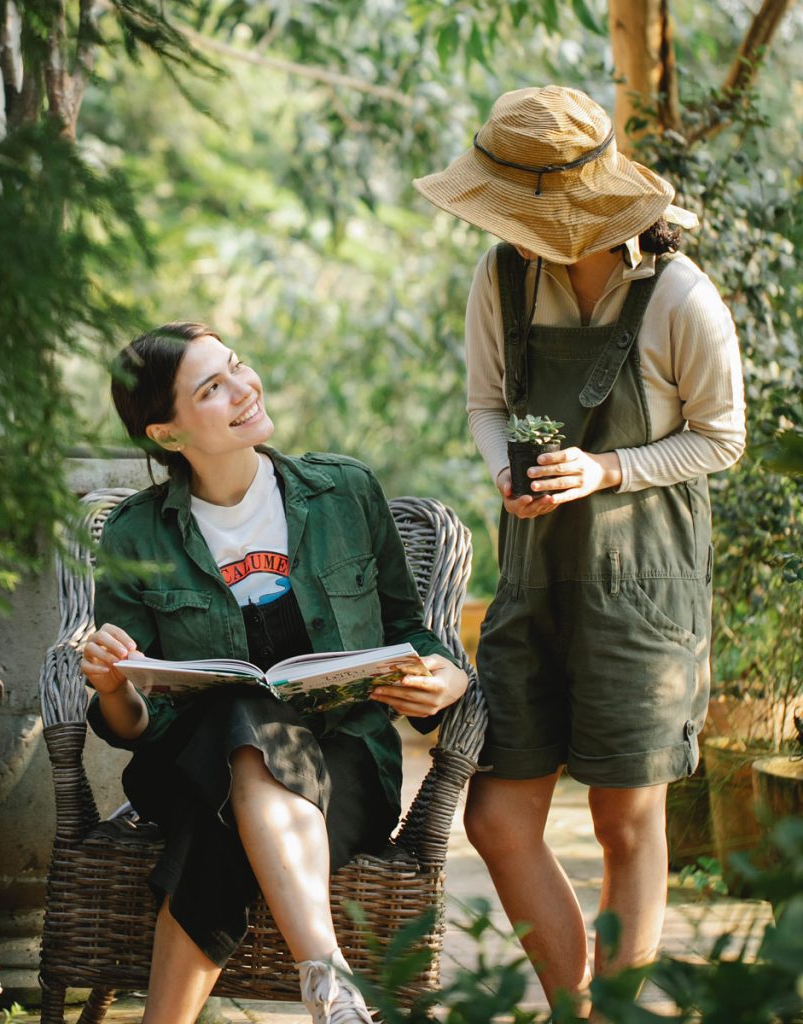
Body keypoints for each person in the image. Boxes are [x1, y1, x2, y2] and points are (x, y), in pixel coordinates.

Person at [413, 86, 746, 1016]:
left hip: (645, 589)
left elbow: (722, 437)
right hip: (532, 582)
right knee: (495, 814)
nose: (506, 230)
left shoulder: (679, 294)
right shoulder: (502, 276)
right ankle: (577, 1003)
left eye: (521, 213)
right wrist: (502, 472)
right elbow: (486, 408)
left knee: (623, 818)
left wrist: (607, 471)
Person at [80, 321, 469, 1024]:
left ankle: (307, 988)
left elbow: (410, 630)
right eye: (212, 387)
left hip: (349, 764)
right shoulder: (137, 536)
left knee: (217, 833)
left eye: (237, 367)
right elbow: (135, 727)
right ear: (167, 434)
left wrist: (448, 678)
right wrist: (114, 688)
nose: (243, 388)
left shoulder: (344, 493)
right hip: (189, 766)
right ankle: (329, 979)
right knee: (242, 718)